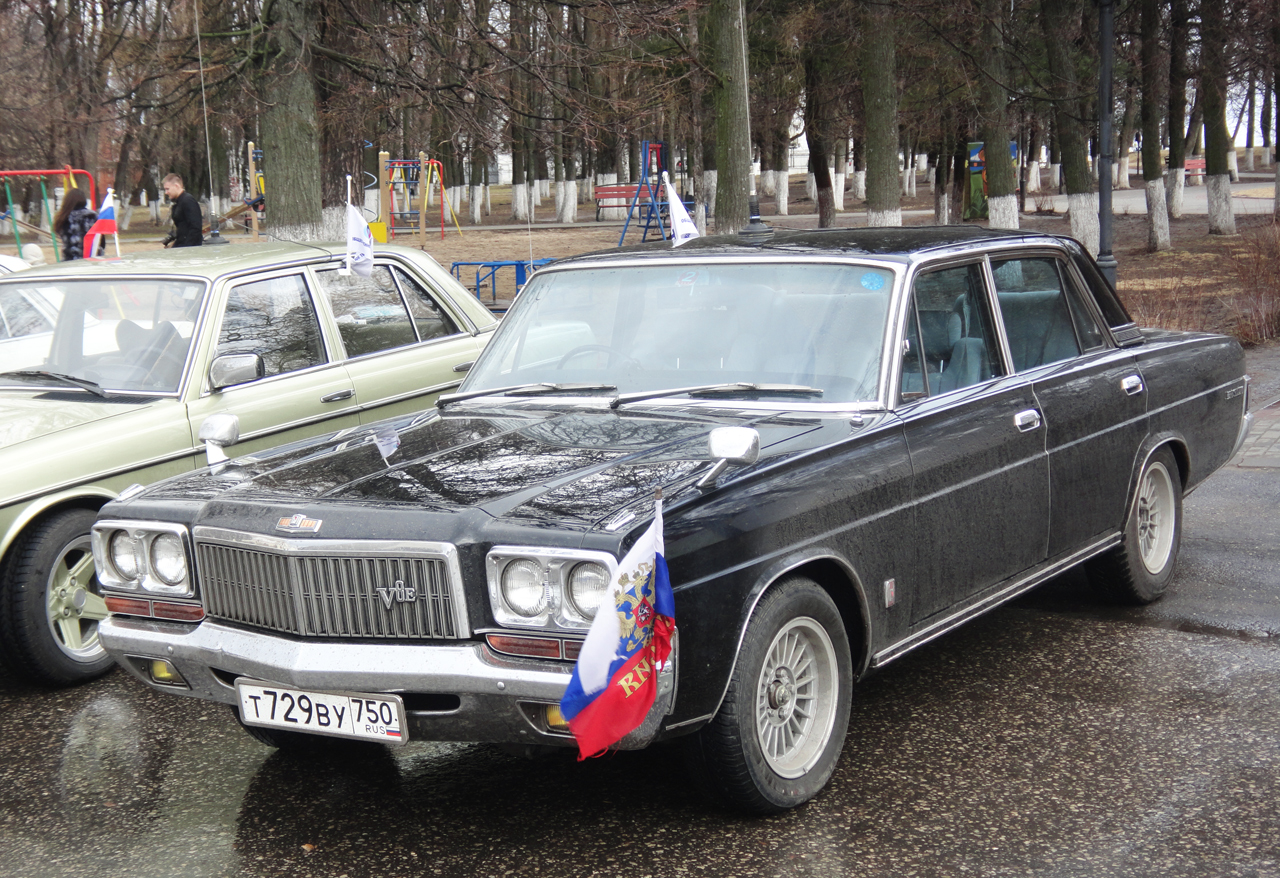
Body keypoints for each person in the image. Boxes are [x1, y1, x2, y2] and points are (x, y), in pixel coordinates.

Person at [52, 188, 97, 260]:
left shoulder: (63, 217)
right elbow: (101, 241)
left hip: (70, 260)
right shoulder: (91, 216)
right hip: (91, 259)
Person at [162, 173, 203, 247]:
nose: (166, 192)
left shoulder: (188, 201)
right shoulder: (179, 202)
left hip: (189, 247)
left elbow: (195, 228)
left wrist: (187, 248)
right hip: (182, 245)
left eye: (167, 189)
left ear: (176, 186)